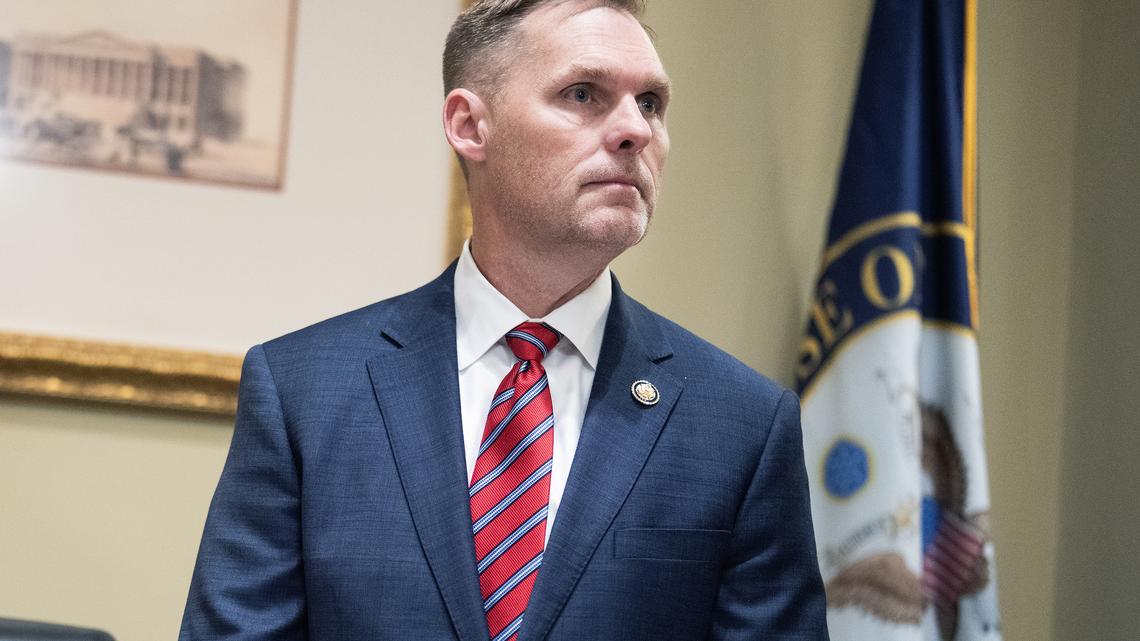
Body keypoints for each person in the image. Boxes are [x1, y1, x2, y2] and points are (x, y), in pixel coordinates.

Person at [179, 1, 829, 640]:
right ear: (470, 125)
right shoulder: (302, 393)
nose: (635, 129)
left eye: (651, 103)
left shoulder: (743, 424)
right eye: (583, 94)